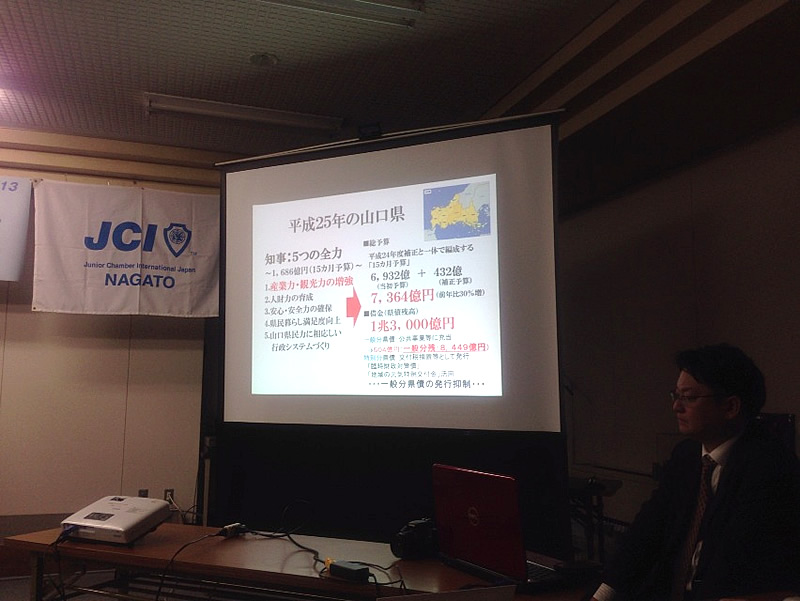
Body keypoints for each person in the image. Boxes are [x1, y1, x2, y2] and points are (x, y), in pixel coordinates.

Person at [591, 343, 800, 600]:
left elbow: (736, 565)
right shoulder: (686, 456)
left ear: (730, 407)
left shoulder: (770, 468)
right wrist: (602, 596)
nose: (676, 407)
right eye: (675, 395)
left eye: (688, 397)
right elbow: (645, 534)